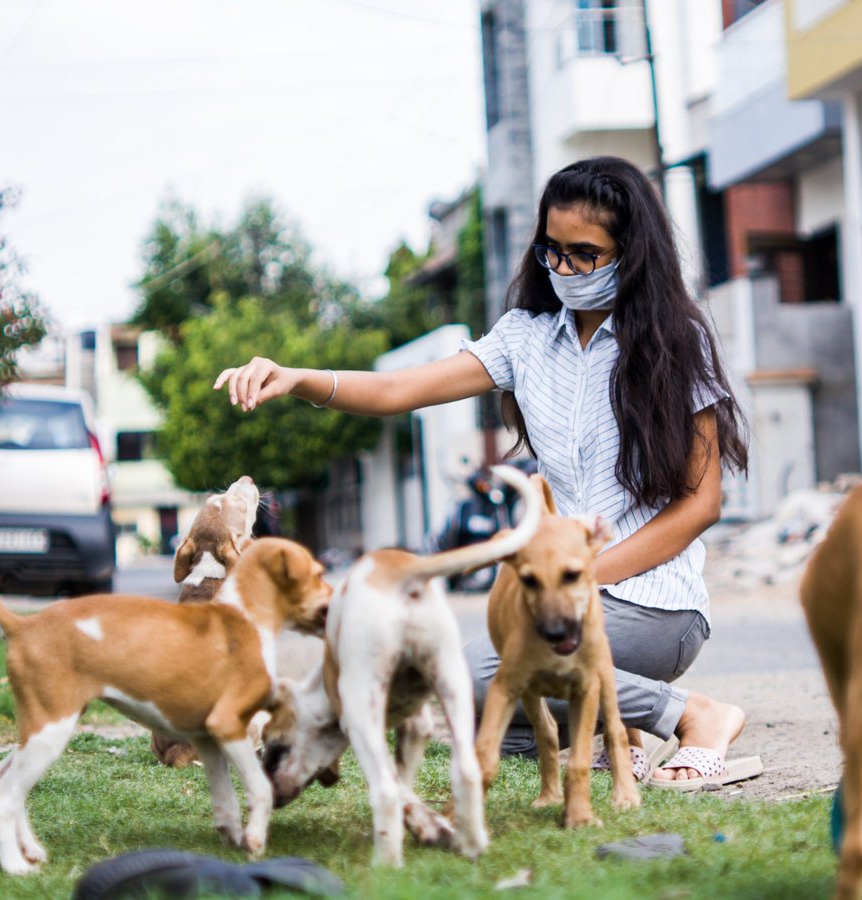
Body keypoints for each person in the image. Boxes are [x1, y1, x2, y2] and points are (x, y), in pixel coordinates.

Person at [214, 155, 752, 786]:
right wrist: (299, 377)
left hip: (654, 607)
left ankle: (694, 714)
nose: (563, 269)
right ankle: (617, 731)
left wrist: (582, 577)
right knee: (475, 711)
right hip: (559, 601)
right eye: (551, 250)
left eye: (585, 254)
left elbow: (701, 503)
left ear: (632, 255)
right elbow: (397, 391)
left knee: (472, 675)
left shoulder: (676, 344)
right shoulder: (526, 339)